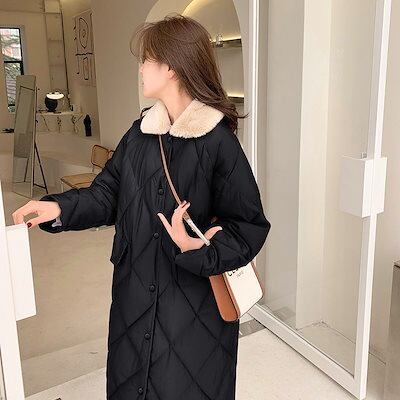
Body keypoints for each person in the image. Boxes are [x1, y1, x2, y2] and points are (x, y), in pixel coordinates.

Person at [12, 13, 271, 400]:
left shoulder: (217, 142)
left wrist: (198, 247)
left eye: (147, 59)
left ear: (171, 67)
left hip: (192, 306)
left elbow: (248, 225)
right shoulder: (140, 134)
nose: (141, 68)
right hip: (133, 296)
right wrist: (60, 208)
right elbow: (107, 194)